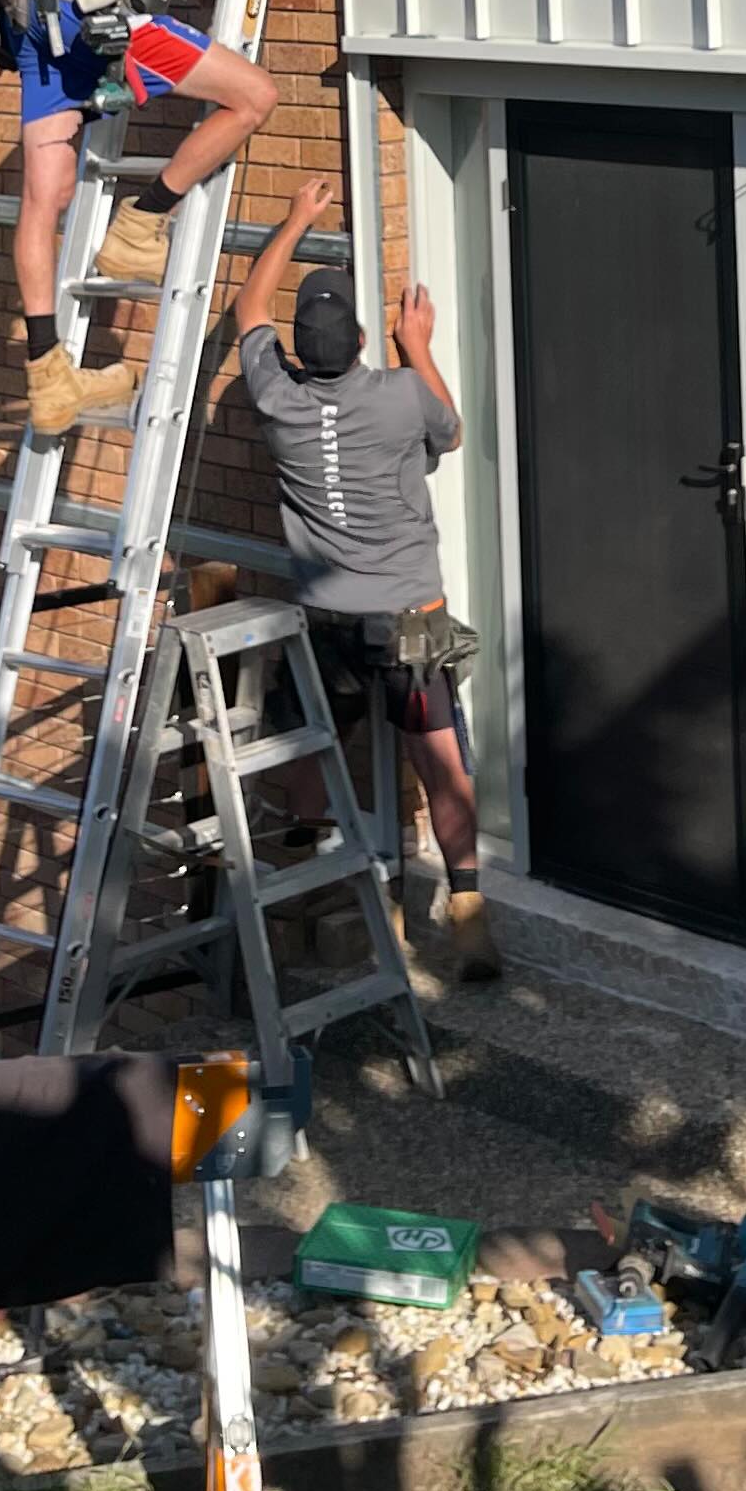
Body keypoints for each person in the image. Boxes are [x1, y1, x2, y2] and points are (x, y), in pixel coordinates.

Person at [234, 174, 499, 980]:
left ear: (298, 351)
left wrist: (293, 219)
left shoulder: (275, 399)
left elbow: (249, 309)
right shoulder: (398, 396)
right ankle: (467, 909)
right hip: (410, 621)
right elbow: (451, 433)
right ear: (358, 342)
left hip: (325, 622)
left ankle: (337, 887)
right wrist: (416, 343)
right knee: (441, 762)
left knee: (308, 752)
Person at [13, 0, 320, 436]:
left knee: (43, 199)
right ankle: (140, 224)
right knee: (255, 97)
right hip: (97, 11)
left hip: (37, 2)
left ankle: (47, 376)